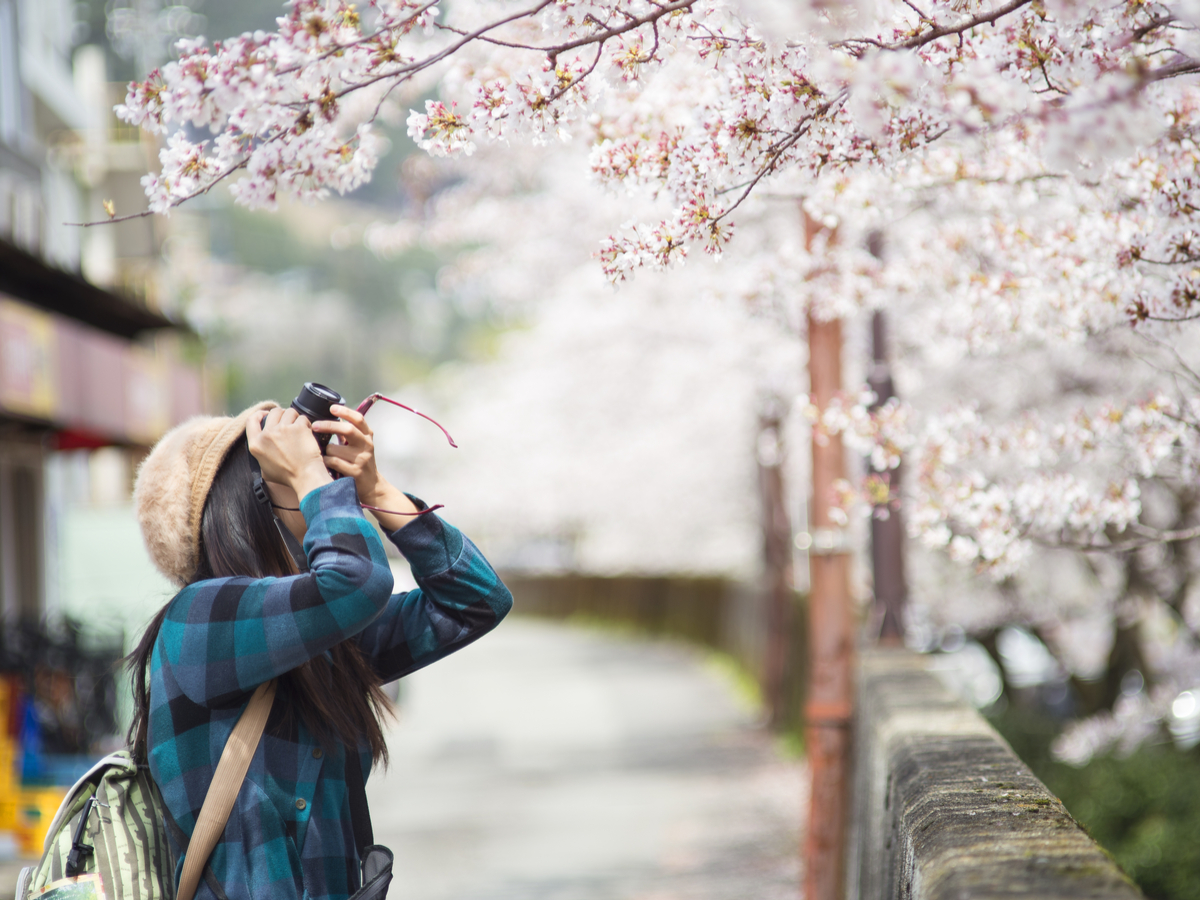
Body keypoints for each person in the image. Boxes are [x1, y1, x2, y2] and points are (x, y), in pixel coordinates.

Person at [126, 400, 512, 900]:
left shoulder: (322, 642)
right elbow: (357, 582)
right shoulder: (199, 619)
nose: (329, 495)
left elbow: (477, 601)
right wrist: (313, 476)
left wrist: (377, 489)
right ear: (248, 504)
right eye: (297, 478)